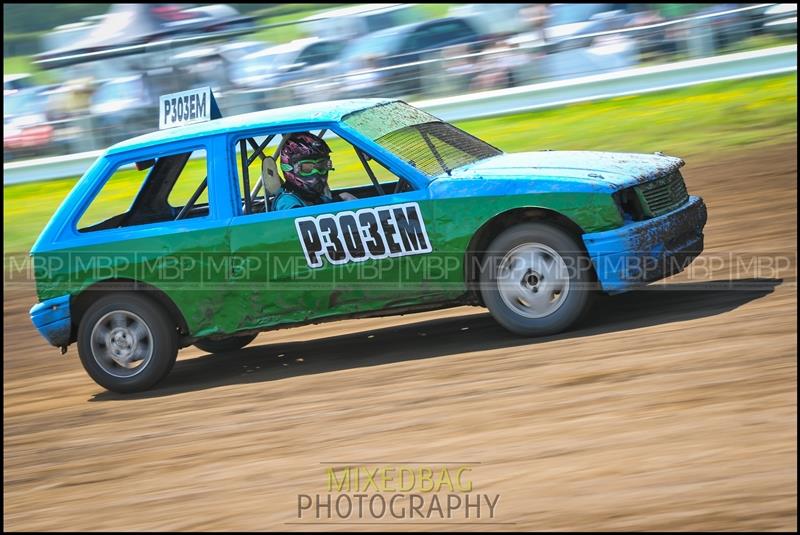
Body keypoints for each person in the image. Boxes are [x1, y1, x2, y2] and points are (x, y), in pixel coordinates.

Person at [272, 132, 356, 211]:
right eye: (307, 168)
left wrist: (341, 198)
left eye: (322, 165)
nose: (316, 172)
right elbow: (303, 224)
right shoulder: (288, 202)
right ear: (290, 169)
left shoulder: (313, 197)